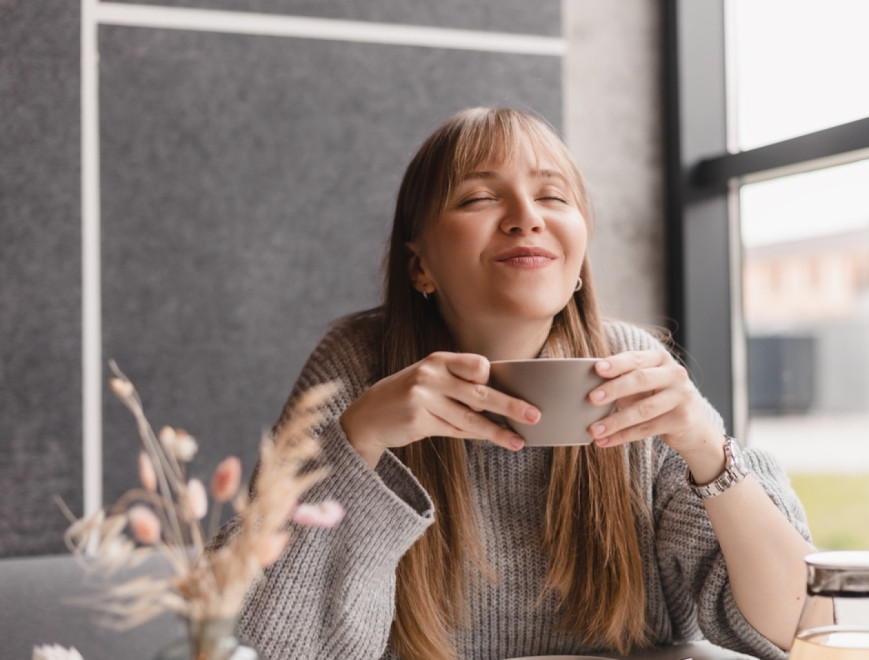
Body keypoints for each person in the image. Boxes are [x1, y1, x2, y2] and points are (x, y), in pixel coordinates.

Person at [223, 107, 814, 660]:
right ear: (420, 266)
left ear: (579, 258)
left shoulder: (635, 368)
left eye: (552, 196)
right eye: (479, 197)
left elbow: (800, 627)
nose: (526, 216)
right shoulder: (360, 364)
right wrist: (359, 439)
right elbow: (263, 644)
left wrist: (709, 448)